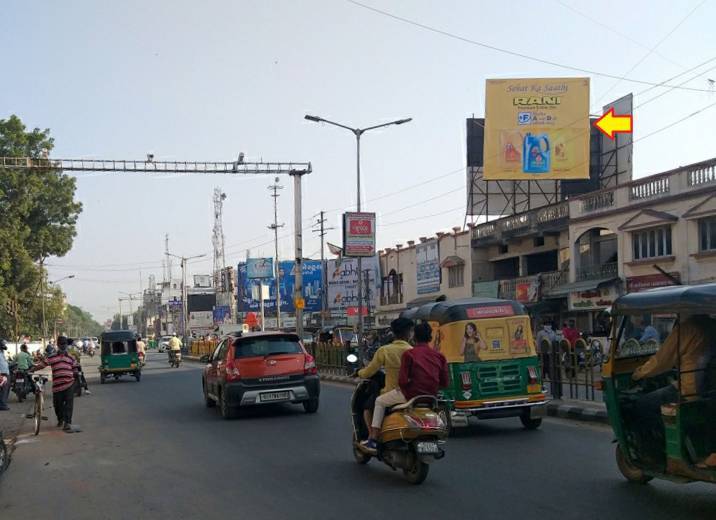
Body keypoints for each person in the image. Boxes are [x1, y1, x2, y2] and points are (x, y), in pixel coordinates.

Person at [631, 315, 716, 463]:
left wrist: (638, 374)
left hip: (691, 389)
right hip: (709, 387)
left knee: (642, 405)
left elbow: (662, 361)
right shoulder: (711, 325)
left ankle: (655, 454)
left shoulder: (687, 329)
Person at [357, 318, 414, 452]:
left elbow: (370, 371)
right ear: (409, 334)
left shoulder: (385, 350)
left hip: (392, 391)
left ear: (393, 333)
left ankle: (373, 438)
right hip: (412, 392)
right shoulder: (412, 350)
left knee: (376, 403)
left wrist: (359, 373)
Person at [31, 336, 78, 431]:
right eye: (61, 344)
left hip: (69, 384)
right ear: (57, 345)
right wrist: (32, 369)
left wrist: (76, 373)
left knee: (69, 404)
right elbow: (42, 364)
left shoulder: (71, 357)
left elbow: (75, 367)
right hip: (57, 386)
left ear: (66, 345)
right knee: (57, 405)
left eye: (64, 344)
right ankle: (60, 419)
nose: (63, 346)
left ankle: (67, 422)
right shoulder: (52, 357)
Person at [0, 340, 11, 411]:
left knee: (4, 389)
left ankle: (3, 404)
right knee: (4, 389)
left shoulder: (2, 352)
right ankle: (2, 405)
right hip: (2, 373)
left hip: (5, 372)